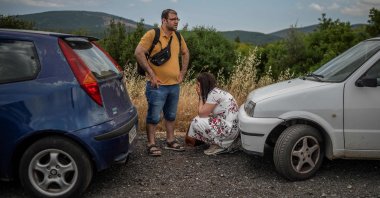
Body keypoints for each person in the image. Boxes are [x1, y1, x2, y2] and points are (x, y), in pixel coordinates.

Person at [134, 9, 190, 156]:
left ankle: (170, 141)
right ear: (164, 20)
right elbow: (138, 52)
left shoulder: (178, 36)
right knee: (153, 117)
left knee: (170, 115)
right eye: (173, 19)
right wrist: (151, 75)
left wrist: (183, 73)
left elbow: (186, 53)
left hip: (174, 85)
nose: (176, 21)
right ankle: (151, 144)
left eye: (177, 19)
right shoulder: (153, 34)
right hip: (156, 86)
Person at [187, 72, 240, 155]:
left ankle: (220, 145)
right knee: (203, 119)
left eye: (197, 84)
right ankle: (224, 143)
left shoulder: (213, 94)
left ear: (203, 85)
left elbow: (202, 114)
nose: (196, 87)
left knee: (196, 121)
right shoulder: (217, 92)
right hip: (233, 129)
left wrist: (200, 96)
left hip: (228, 131)